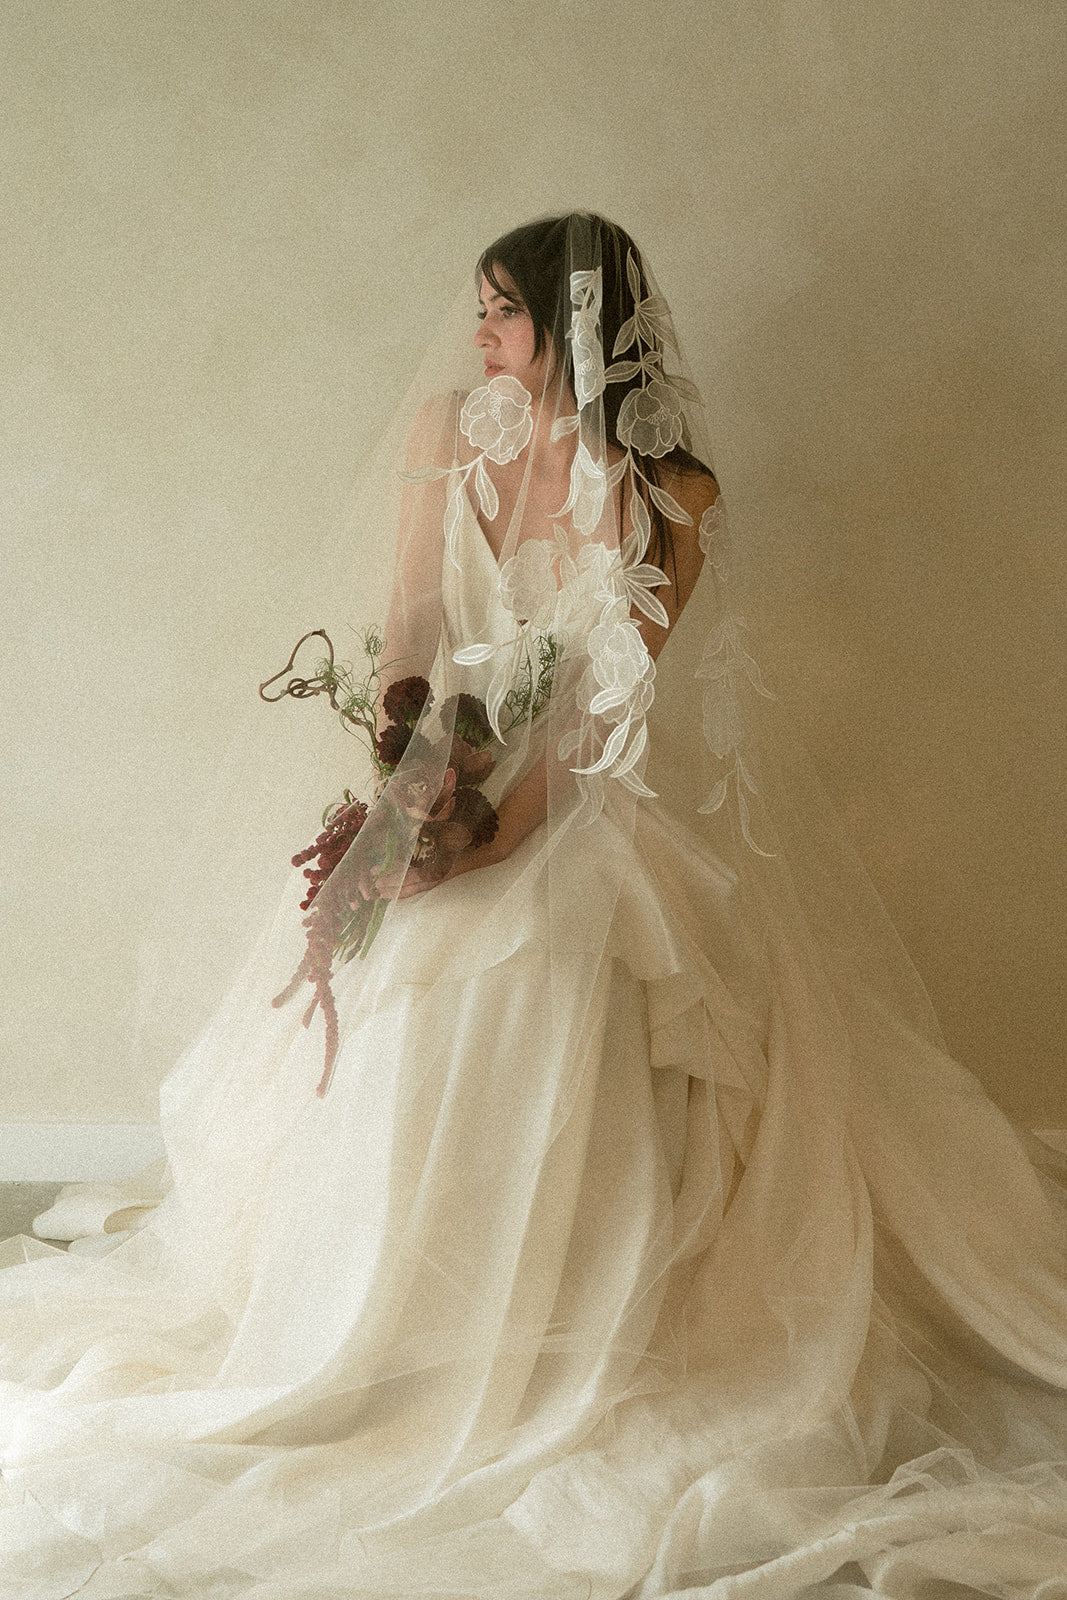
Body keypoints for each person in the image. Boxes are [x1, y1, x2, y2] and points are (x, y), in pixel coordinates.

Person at [1, 211, 1065, 1600]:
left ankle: (543, 1307)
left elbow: (606, 714)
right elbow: (411, 624)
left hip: (578, 800)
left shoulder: (670, 493)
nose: (479, 338)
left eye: (503, 313)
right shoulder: (450, 429)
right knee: (391, 939)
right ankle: (368, 1310)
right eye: (481, 313)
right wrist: (404, 756)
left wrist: (489, 834)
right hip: (464, 773)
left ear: (573, 329)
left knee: (538, 948)